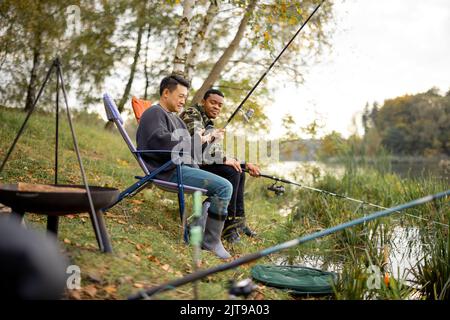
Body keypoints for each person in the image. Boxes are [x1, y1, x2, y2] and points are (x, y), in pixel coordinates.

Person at [136, 75, 233, 259]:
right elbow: (160, 143)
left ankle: (197, 228)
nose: (183, 101)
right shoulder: (154, 113)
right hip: (166, 170)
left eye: (185, 97)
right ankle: (211, 242)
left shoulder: (176, 119)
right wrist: (199, 138)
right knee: (224, 187)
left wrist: (209, 140)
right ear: (166, 93)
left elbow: (194, 152)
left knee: (227, 180)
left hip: (178, 167)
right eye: (180, 96)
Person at [180, 89, 261, 244]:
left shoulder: (209, 123)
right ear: (203, 102)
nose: (217, 107)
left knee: (238, 169)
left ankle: (238, 221)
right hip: (186, 165)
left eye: (220, 105)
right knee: (231, 171)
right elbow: (197, 143)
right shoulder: (192, 113)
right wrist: (224, 158)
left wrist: (244, 163)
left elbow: (213, 152)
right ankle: (228, 226)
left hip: (196, 163)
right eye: (213, 102)